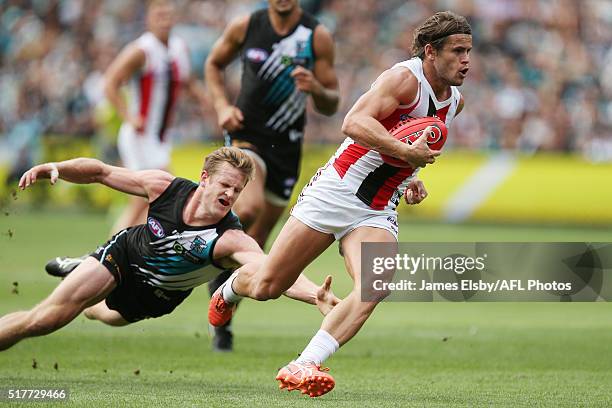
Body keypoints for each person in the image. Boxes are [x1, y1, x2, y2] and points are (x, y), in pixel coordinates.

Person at [208, 11, 472, 397]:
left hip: (378, 206)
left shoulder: (455, 103)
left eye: (469, 51)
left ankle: (304, 362)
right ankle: (231, 287)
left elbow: (404, 149)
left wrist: (412, 179)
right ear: (431, 52)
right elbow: (353, 122)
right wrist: (404, 152)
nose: (466, 60)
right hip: (336, 191)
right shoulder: (403, 79)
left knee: (375, 284)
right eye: (458, 51)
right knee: (267, 285)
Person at [0, 147, 339, 351]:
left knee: (97, 313)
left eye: (238, 190)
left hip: (156, 297)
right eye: (225, 185)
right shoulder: (163, 187)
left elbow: (273, 271)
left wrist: (315, 296)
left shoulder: (231, 239)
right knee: (45, 319)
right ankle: (86, 270)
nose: (231, 195)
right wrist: (57, 167)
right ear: (204, 178)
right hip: (124, 257)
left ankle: (79, 271)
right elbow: (101, 172)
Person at [204, 0, 339, 350]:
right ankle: (209, 265)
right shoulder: (246, 26)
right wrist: (221, 104)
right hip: (246, 136)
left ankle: (223, 300)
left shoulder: (316, 36)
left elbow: (332, 101)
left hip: (288, 148)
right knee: (247, 209)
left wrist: (315, 89)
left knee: (258, 245)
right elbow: (214, 64)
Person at [45, 0, 208, 281]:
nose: (165, 20)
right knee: (149, 196)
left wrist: (205, 100)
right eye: (159, 15)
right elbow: (110, 83)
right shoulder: (142, 50)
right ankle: (100, 260)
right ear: (148, 19)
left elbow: (186, 80)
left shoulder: (178, 48)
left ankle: (114, 258)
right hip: (140, 138)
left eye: (168, 15)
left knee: (151, 199)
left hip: (160, 139)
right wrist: (128, 116)